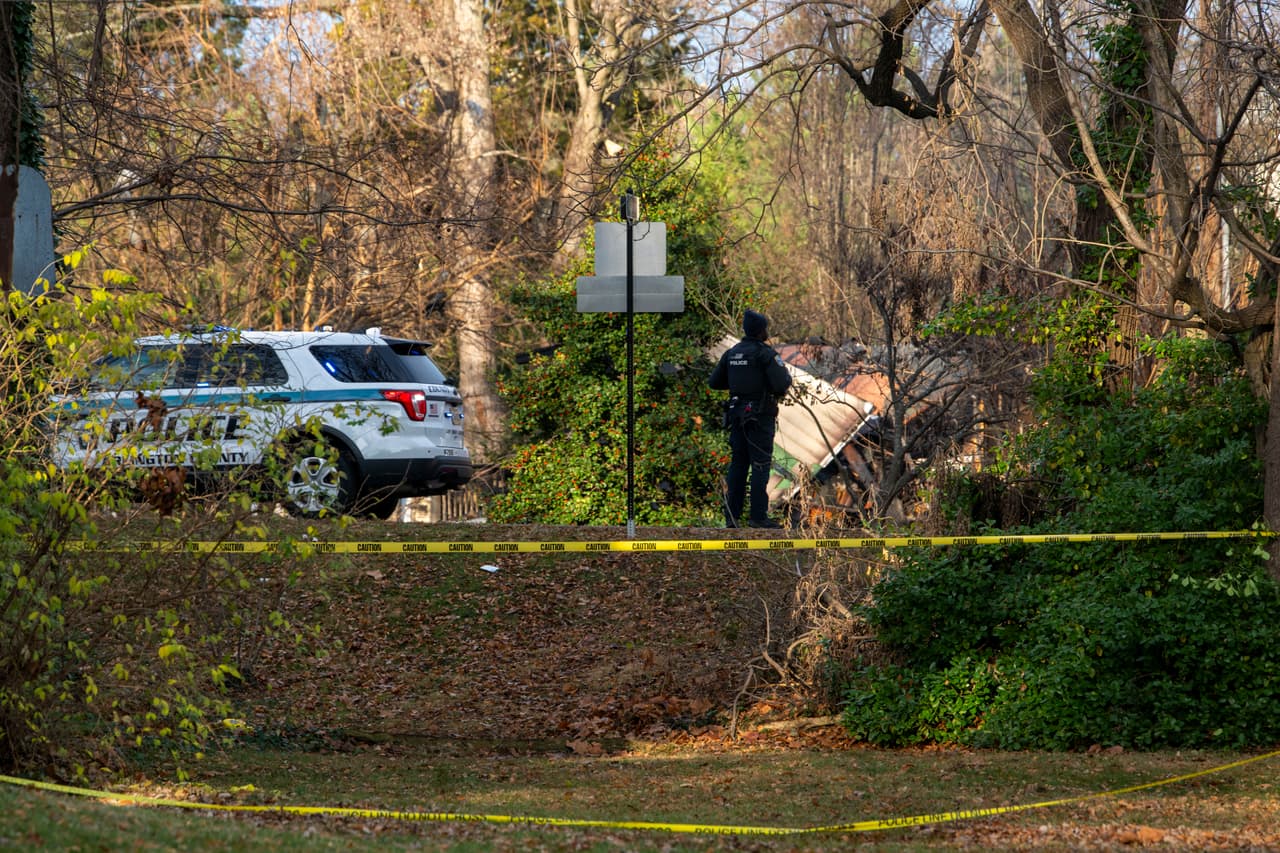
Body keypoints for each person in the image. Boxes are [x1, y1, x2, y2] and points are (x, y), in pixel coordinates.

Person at [708, 309, 792, 528]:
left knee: (738, 465)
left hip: (736, 416)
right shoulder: (765, 354)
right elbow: (782, 384)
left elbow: (714, 382)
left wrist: (740, 383)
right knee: (760, 465)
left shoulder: (732, 353)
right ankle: (758, 516)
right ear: (761, 330)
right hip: (759, 418)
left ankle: (731, 517)